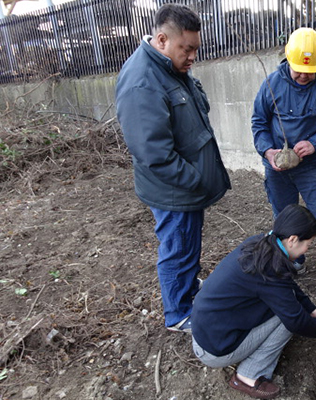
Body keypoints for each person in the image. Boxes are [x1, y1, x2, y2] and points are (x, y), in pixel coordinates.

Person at [115, 4, 230, 333]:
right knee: (178, 248)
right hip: (174, 190)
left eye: (195, 48)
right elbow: (154, 154)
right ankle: (179, 313)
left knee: (187, 245)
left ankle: (189, 290)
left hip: (185, 188)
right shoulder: (142, 82)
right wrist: (195, 180)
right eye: (187, 48)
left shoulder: (169, 69)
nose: (193, 56)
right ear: (163, 39)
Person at [191, 204, 316, 399]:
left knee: (288, 307)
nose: (307, 249)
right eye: (308, 244)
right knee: (287, 319)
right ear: (292, 240)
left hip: (206, 330)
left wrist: (311, 308)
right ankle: (249, 375)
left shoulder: (263, 243)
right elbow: (296, 320)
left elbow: (286, 285)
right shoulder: (269, 270)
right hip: (214, 349)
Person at [251, 27, 316, 291]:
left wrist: (315, 143)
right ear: (287, 59)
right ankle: (293, 261)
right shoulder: (271, 84)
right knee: (283, 217)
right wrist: (267, 151)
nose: (304, 76)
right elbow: (259, 123)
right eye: (298, 70)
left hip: (312, 166)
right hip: (277, 166)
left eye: (310, 71)